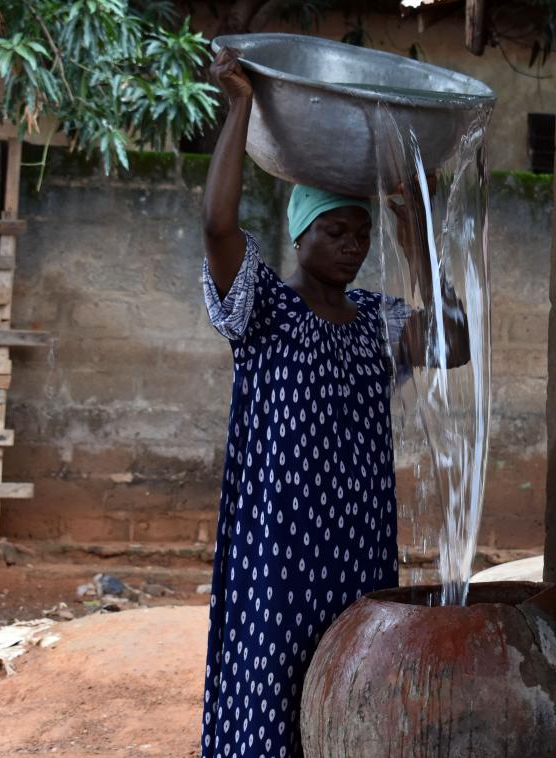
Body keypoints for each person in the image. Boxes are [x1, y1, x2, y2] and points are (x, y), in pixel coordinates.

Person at [198, 46, 468, 758]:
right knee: (275, 676)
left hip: (358, 538)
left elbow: (455, 342)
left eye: (360, 235)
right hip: (282, 540)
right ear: (300, 232)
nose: (351, 247)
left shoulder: (375, 321)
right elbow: (217, 227)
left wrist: (417, 240)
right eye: (335, 232)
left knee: (355, 681)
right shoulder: (264, 310)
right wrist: (240, 107)